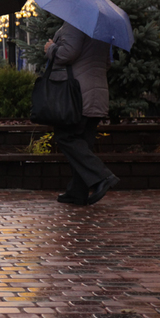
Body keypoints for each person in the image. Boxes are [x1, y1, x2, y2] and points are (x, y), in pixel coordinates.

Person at [45, 22, 119, 205]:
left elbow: (66, 54)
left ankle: (102, 176)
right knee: (83, 142)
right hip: (97, 92)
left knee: (66, 136)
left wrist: (50, 48)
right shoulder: (102, 28)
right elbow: (107, 63)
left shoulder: (76, 24)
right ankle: (77, 192)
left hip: (78, 94)